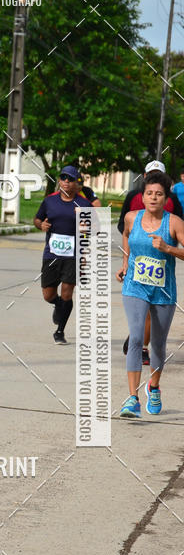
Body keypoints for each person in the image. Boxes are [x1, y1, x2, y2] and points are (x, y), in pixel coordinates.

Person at [117, 170, 184, 418]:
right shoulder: (131, 218)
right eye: (149, 193)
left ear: (166, 198)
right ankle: (132, 398)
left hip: (163, 290)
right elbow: (126, 236)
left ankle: (153, 387)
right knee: (136, 338)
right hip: (135, 286)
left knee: (157, 343)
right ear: (142, 196)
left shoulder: (174, 223)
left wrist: (168, 248)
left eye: (159, 194)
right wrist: (125, 263)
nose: (153, 197)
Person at [34, 168, 93, 344]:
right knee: (48, 294)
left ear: (76, 183)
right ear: (59, 181)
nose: (66, 181)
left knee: (67, 293)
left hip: (73, 255)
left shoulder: (84, 204)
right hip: (51, 254)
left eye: (70, 179)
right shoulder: (49, 201)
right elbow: (37, 219)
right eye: (63, 178)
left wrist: (86, 224)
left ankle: (60, 331)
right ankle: (58, 305)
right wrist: (41, 225)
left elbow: (96, 229)